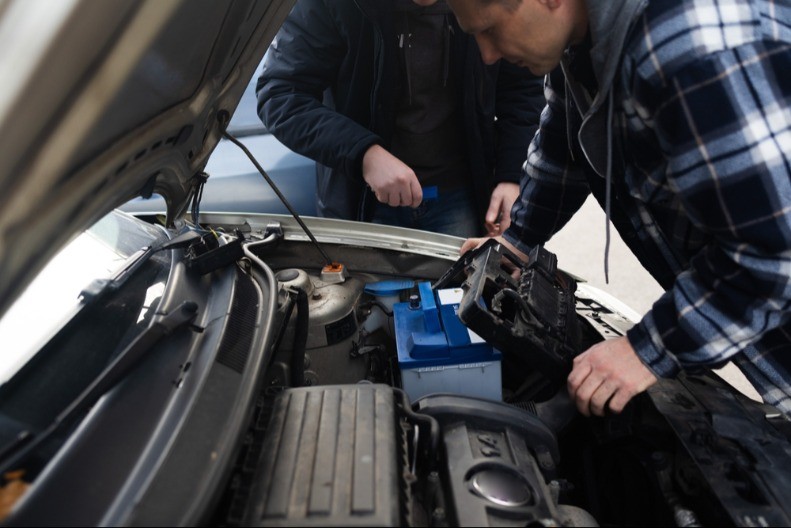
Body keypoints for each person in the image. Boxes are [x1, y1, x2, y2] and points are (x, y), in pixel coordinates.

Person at [448, 0, 791, 417]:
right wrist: (516, 242)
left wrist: (645, 350)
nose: (487, 54)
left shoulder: (690, 50)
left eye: (489, 30)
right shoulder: (581, 40)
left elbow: (774, 251)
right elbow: (564, 144)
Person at [256, 0, 545, 238]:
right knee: (363, 306)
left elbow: (521, 89)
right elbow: (280, 95)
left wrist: (511, 175)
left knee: (460, 304)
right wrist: (364, 154)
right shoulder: (334, 5)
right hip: (362, 205)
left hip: (462, 198)